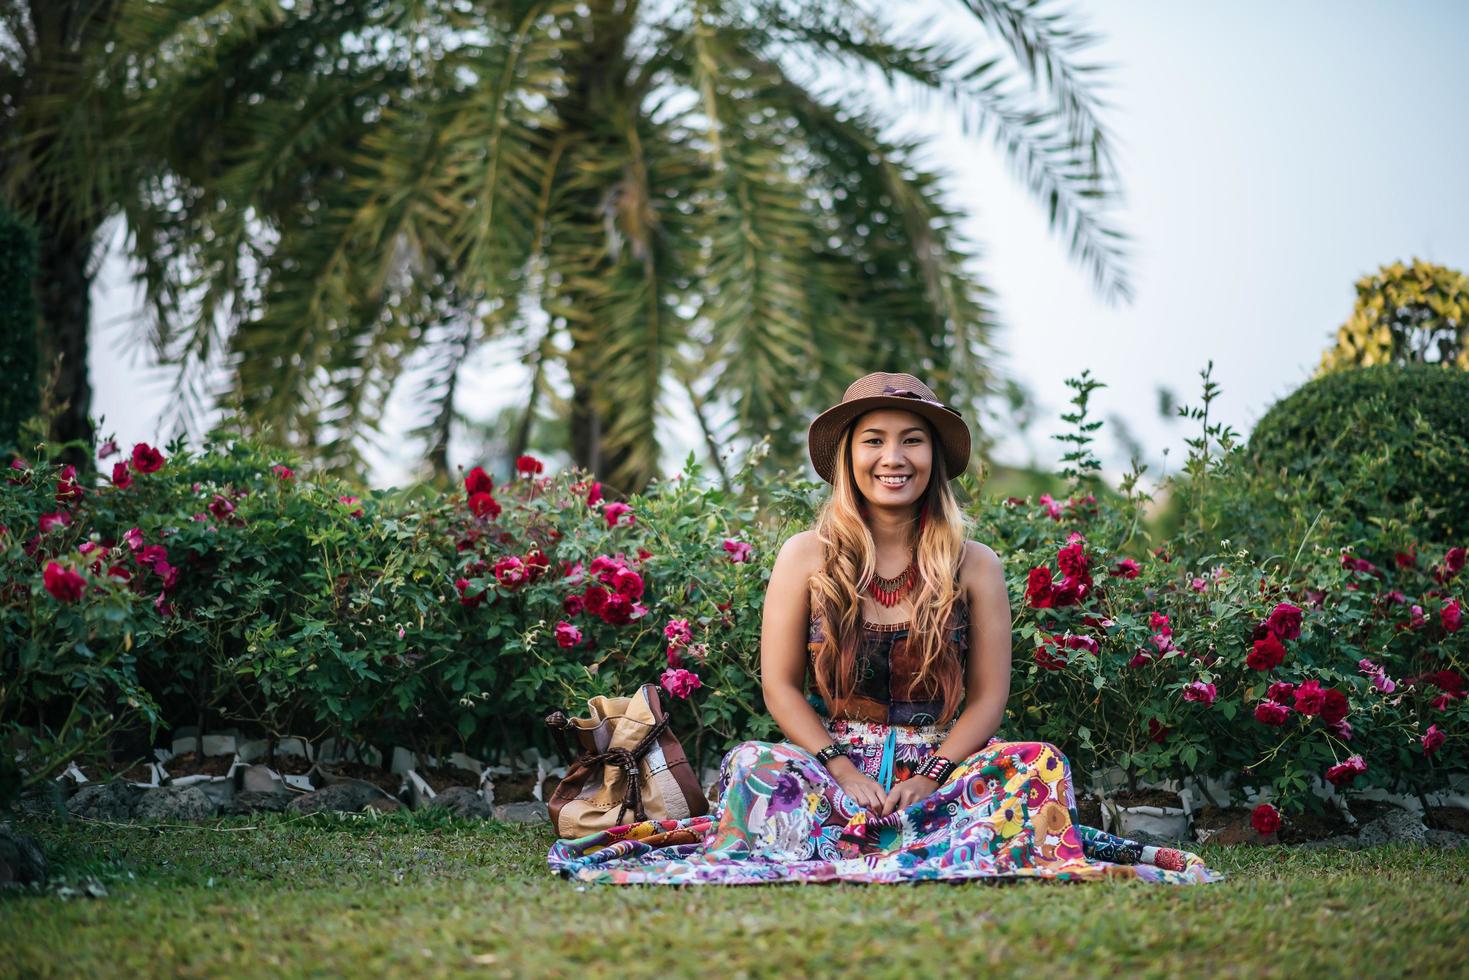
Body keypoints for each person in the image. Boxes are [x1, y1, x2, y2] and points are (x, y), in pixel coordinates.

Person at [548, 372, 1225, 885]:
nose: (892, 457)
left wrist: (931, 775)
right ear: (848, 455)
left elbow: (988, 697)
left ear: (934, 456)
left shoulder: (973, 565)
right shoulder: (805, 555)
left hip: (940, 772)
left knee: (1037, 764)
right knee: (752, 767)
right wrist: (840, 770)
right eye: (873, 440)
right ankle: (931, 847)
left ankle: (888, 840)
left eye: (911, 440)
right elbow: (779, 687)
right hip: (831, 769)